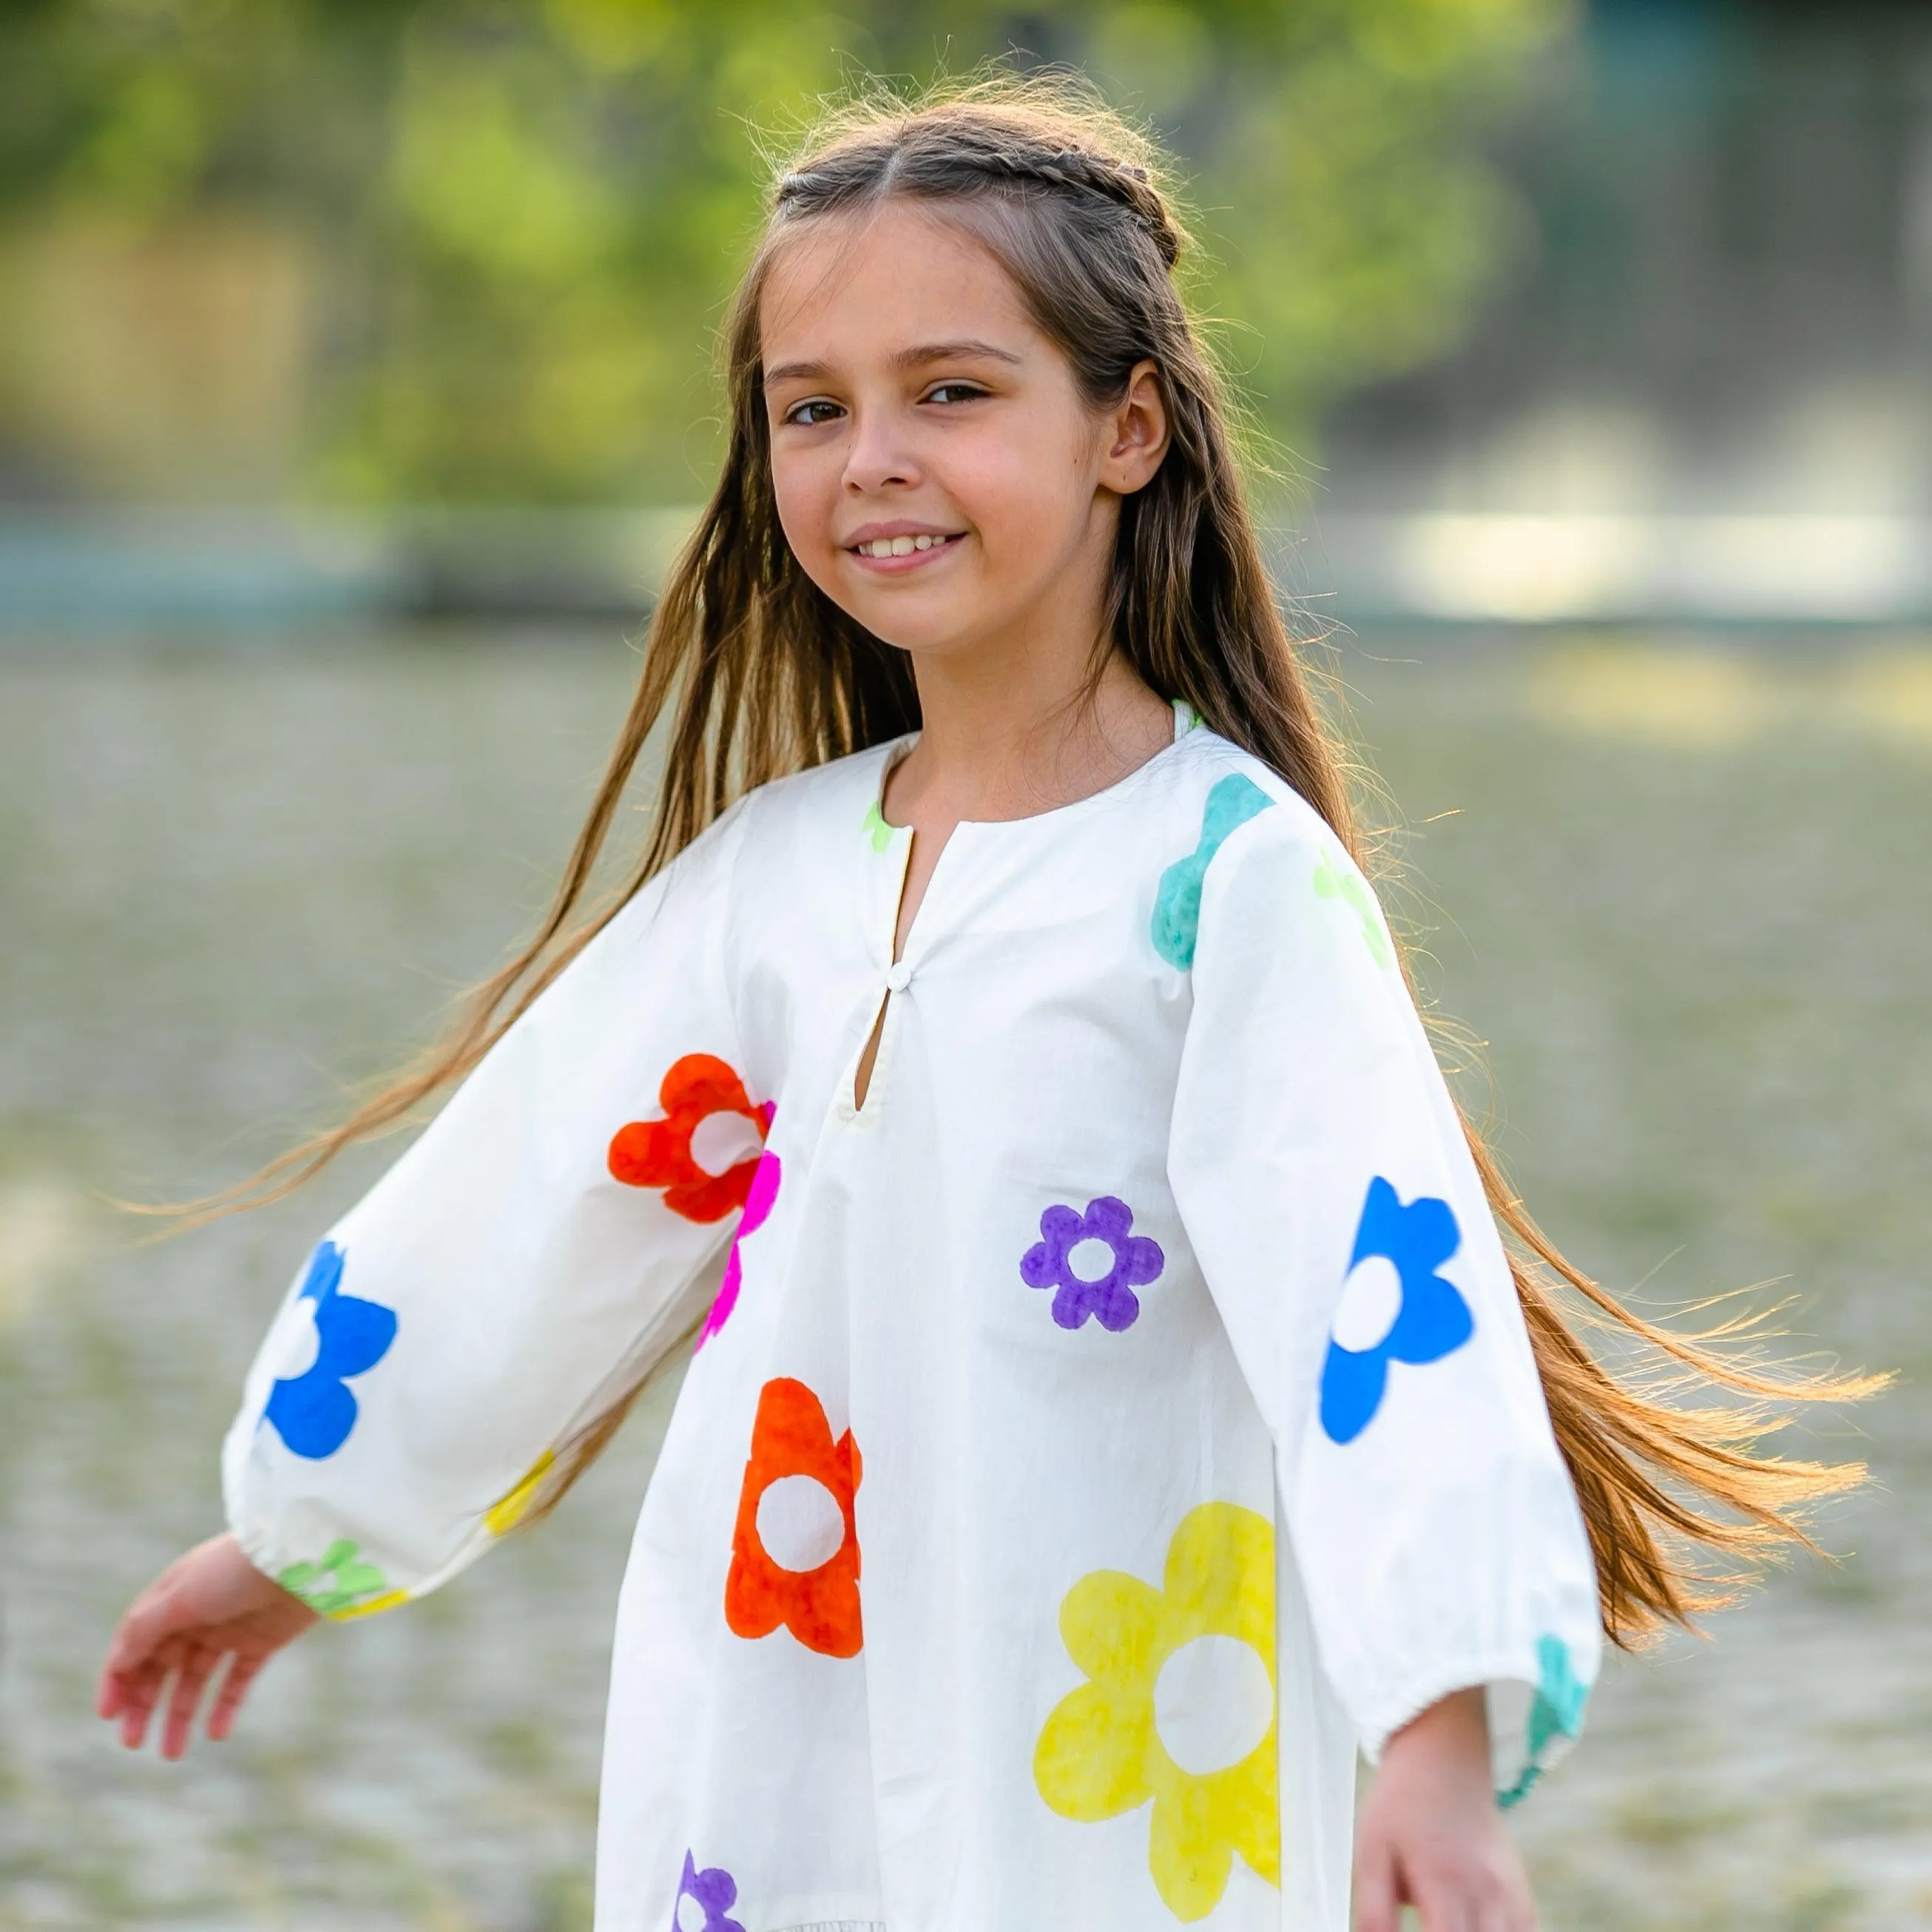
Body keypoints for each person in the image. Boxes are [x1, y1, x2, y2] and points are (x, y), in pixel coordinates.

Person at [97, 78, 1870, 1932]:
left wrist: (1431, 1735)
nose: (871, 455)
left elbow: (1377, 1290)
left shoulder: (1224, 885)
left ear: (1127, 425)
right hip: (773, 1738)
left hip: (1113, 1764)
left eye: (950, 390)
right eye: (813, 407)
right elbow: (543, 1206)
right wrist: (300, 1540)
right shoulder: (773, 884)